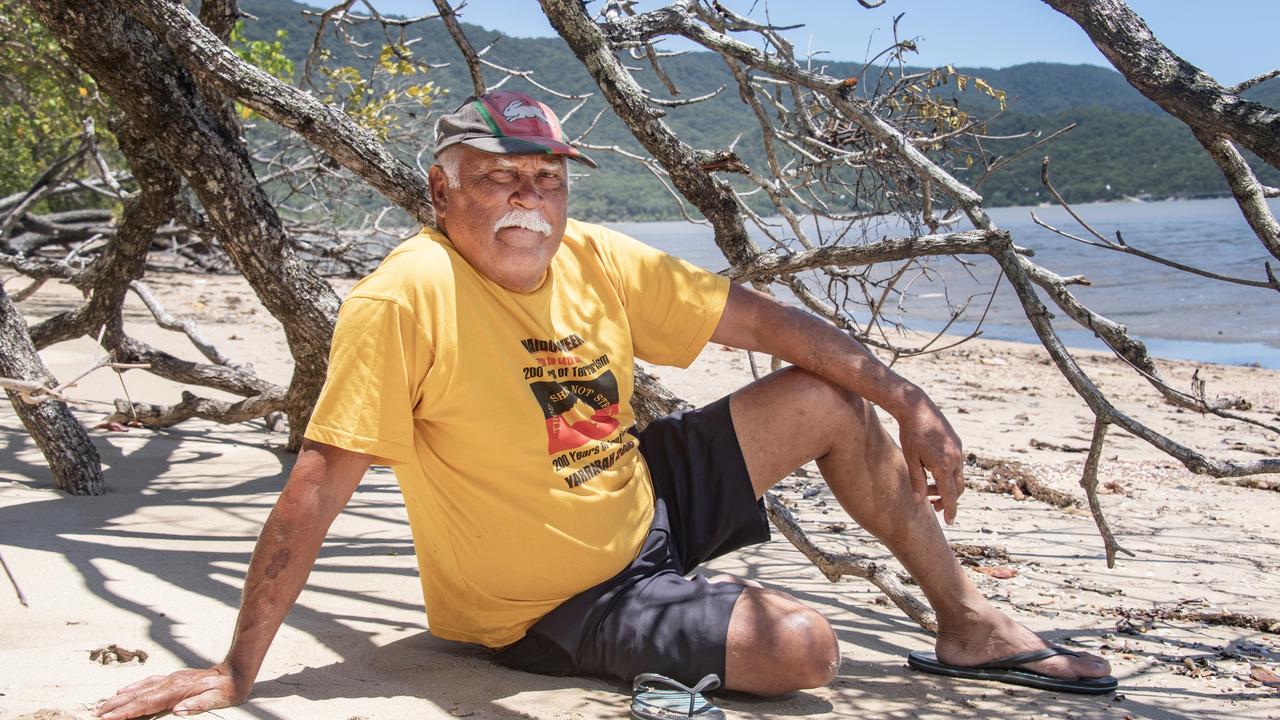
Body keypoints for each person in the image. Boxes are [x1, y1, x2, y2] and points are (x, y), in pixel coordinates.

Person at [94, 91, 1114, 720]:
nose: (528, 202)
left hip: (639, 505)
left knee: (825, 400)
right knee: (803, 651)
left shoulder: (590, 257)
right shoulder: (405, 298)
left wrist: (909, 397)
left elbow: (766, 326)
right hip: (545, 603)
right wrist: (238, 666)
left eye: (544, 179)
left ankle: (968, 625)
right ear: (439, 195)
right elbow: (315, 489)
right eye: (498, 181)